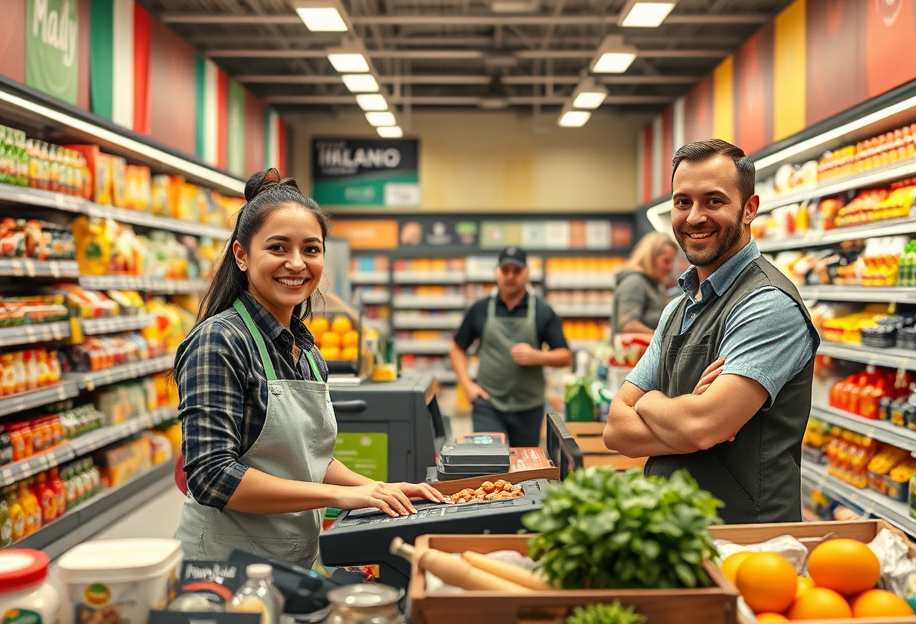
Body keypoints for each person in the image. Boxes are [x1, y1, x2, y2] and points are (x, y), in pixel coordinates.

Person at [173, 168, 443, 568]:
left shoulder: (307, 351)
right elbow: (211, 476)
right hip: (221, 570)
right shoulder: (220, 340)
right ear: (242, 255)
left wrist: (379, 488)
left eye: (311, 250)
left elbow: (309, 458)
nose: (296, 263)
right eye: (278, 248)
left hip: (286, 562)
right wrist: (339, 496)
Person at [603, 140, 818, 524]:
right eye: (683, 202)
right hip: (672, 526)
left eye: (713, 201)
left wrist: (648, 403)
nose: (694, 217)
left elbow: (702, 427)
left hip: (744, 537)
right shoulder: (676, 309)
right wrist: (685, 419)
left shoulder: (768, 303)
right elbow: (616, 431)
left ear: (749, 208)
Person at [450, 247, 573, 447]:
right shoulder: (480, 309)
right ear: (497, 271)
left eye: (516, 271)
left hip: (528, 408)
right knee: (490, 459)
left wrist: (536, 356)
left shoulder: (542, 311)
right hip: (487, 404)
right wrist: (467, 385)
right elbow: (457, 348)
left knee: (522, 464)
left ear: (527, 273)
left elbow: (565, 356)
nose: (510, 276)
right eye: (505, 270)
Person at [610, 231, 678, 336]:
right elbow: (628, 325)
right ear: (650, 258)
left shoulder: (655, 284)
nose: (670, 268)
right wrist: (660, 338)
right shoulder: (634, 283)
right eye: (666, 261)